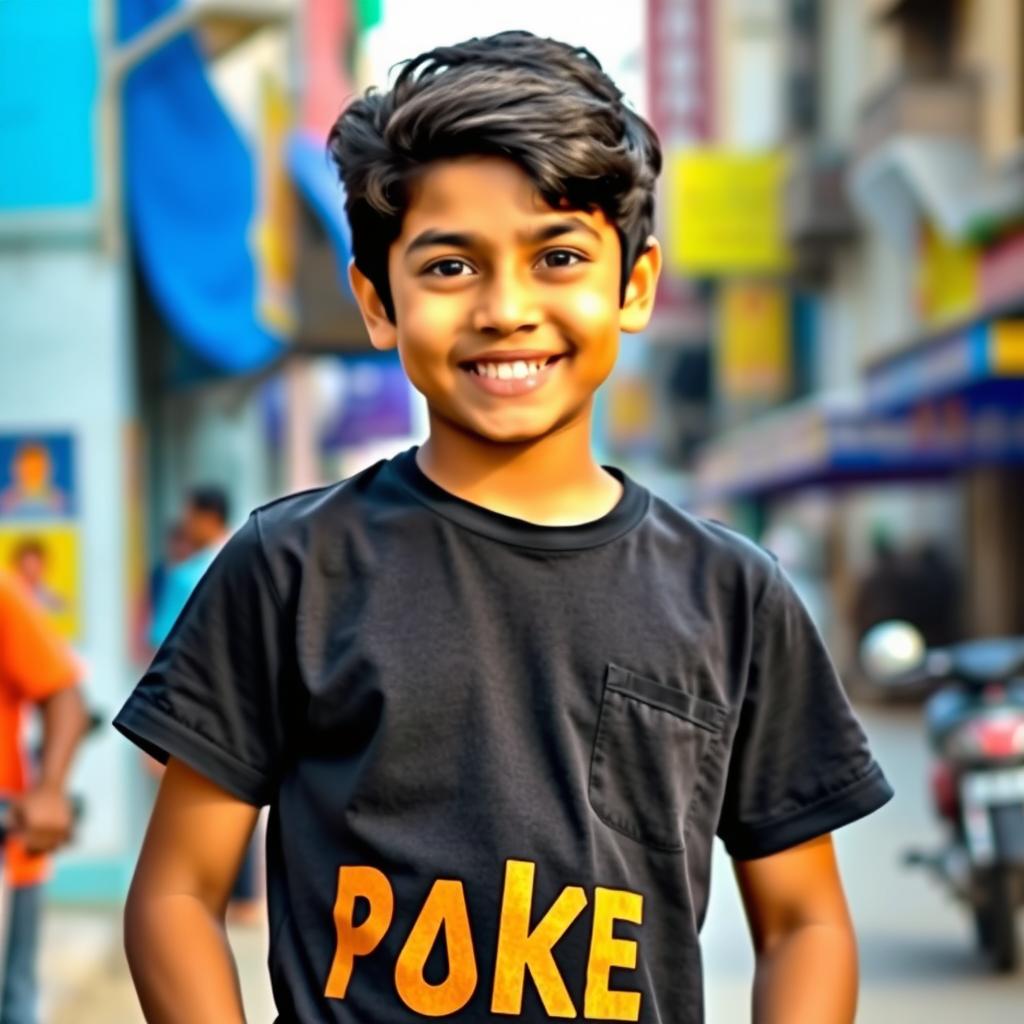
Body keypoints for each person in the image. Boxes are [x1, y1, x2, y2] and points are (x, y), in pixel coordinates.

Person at [115, 32, 893, 1024]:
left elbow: (803, 925)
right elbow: (178, 891)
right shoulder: (292, 569)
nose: (506, 308)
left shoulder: (731, 597)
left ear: (635, 285)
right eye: (449, 266)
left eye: (558, 256)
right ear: (376, 300)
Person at [0, 571, 88, 1024]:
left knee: (11, 1002)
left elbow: (63, 695)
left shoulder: (2, 595)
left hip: (8, 849)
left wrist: (50, 790)